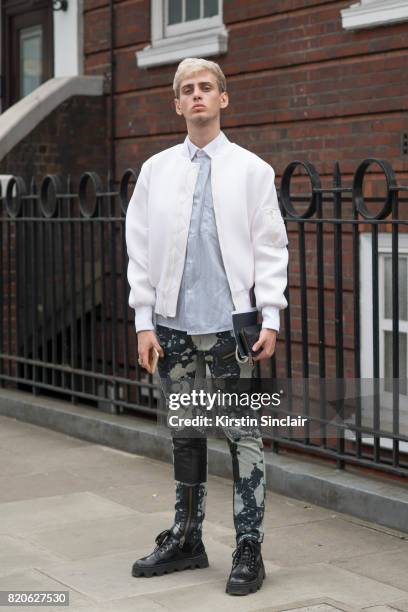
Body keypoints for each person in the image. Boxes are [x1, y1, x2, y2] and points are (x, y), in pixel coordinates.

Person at [125, 57, 288, 596]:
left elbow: (269, 247)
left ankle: (249, 547)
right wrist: (144, 322)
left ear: (223, 98)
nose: (197, 96)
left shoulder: (252, 170)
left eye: (206, 88)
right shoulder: (155, 170)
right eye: (187, 90)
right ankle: (188, 537)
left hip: (231, 328)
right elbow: (140, 252)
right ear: (176, 104)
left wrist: (272, 311)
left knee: (243, 435)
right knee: (186, 432)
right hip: (172, 328)